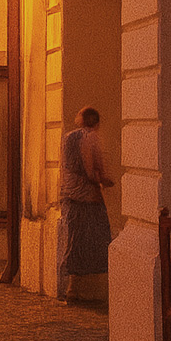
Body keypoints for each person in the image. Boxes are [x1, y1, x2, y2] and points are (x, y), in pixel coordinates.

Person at [58, 106, 115, 303]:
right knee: (95, 242)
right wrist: (104, 180)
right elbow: (92, 171)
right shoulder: (91, 138)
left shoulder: (68, 138)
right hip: (88, 199)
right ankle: (96, 291)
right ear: (95, 122)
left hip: (70, 196)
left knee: (74, 242)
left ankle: (72, 289)